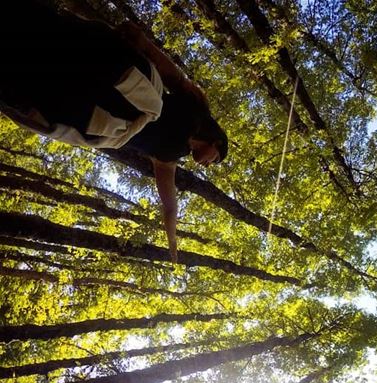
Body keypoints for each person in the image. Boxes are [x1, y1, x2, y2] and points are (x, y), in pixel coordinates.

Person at [0, 1, 228, 260]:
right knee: (60, 41)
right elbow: (175, 78)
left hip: (97, 118)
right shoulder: (199, 107)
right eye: (214, 160)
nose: (208, 165)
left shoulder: (171, 157)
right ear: (217, 142)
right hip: (124, 81)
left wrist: (172, 241)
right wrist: (143, 44)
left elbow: (170, 207)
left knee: (37, 94)